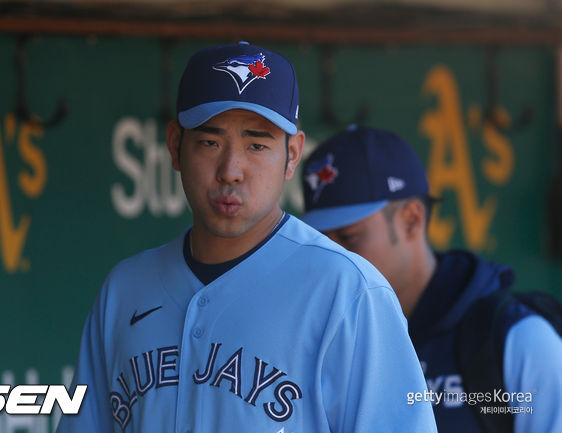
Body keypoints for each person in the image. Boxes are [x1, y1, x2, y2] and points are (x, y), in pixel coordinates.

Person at [57, 43, 437, 433]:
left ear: (292, 155)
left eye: (257, 145)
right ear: (175, 146)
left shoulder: (349, 292)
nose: (231, 170)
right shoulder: (124, 290)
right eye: (210, 142)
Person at [302, 125, 562, 433]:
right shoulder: (319, 338)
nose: (335, 258)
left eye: (349, 237)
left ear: (411, 220)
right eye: (321, 243)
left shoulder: (515, 338)